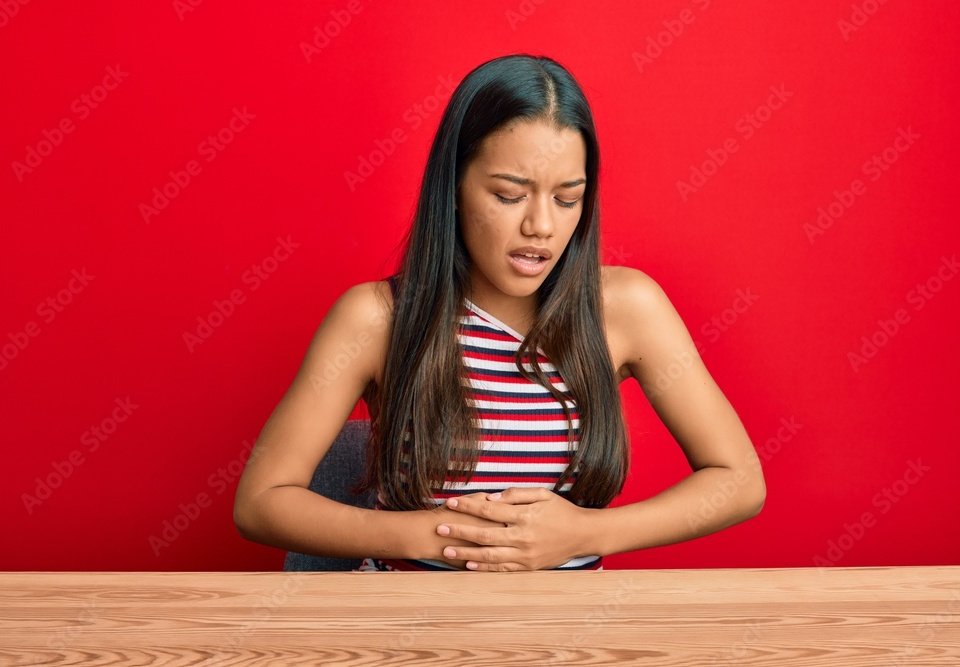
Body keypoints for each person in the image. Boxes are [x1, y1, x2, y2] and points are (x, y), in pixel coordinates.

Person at [233, 54, 765, 572]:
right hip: (411, 630)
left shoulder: (625, 308)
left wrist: (587, 533)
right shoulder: (376, 318)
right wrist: (429, 533)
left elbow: (738, 480)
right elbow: (261, 501)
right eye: (510, 195)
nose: (542, 226)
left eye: (567, 198)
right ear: (456, 189)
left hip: (567, 634)